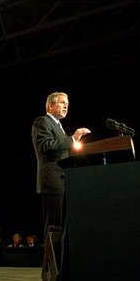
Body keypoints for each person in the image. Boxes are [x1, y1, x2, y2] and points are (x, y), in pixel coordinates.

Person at [31, 91, 91, 240]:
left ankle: (61, 261)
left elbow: (62, 150)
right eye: (62, 103)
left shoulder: (58, 126)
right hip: (52, 182)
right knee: (54, 226)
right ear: (51, 105)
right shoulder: (42, 121)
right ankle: (52, 262)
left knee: (62, 226)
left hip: (63, 181)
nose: (66, 106)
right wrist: (73, 139)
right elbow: (46, 146)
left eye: (67, 104)